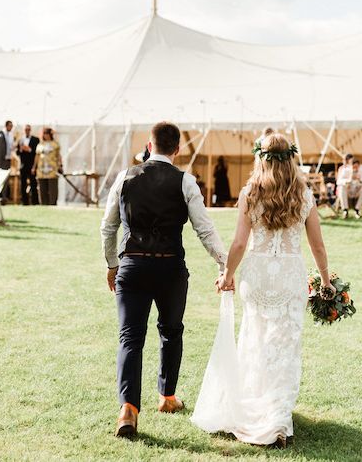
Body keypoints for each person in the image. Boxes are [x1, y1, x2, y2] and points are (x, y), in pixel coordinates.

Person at [191, 133, 333, 448]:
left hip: (255, 278)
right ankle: (277, 421)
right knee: (283, 349)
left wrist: (227, 273)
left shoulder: (250, 193)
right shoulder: (303, 194)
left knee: (254, 342)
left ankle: (254, 409)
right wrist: (325, 280)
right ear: (291, 157)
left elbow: (240, 243)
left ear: (261, 157)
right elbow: (317, 245)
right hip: (289, 278)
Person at [100, 121, 228, 439]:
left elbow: (108, 227)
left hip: (132, 266)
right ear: (177, 149)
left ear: (149, 144)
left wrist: (112, 264)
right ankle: (167, 397)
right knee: (171, 332)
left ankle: (128, 408)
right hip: (170, 269)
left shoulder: (124, 177)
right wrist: (226, 263)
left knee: (130, 338)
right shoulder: (185, 181)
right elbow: (204, 229)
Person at [33, 127, 62, 205]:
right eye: (44, 134)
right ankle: (43, 203)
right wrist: (34, 167)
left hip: (52, 169)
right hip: (41, 169)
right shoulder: (40, 144)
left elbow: (58, 156)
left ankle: (53, 203)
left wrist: (60, 165)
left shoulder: (55, 144)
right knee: (42, 187)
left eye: (47, 134)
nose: (46, 135)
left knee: (52, 187)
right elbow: (37, 156)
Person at [17, 124, 39, 205]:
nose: (27, 131)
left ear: (30, 130)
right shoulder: (21, 140)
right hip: (23, 165)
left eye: (28, 129)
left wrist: (29, 150)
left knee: (33, 184)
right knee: (23, 184)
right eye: (26, 129)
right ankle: (24, 202)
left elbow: (37, 152)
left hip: (31, 165)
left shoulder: (35, 140)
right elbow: (17, 152)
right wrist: (21, 150)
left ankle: (35, 202)